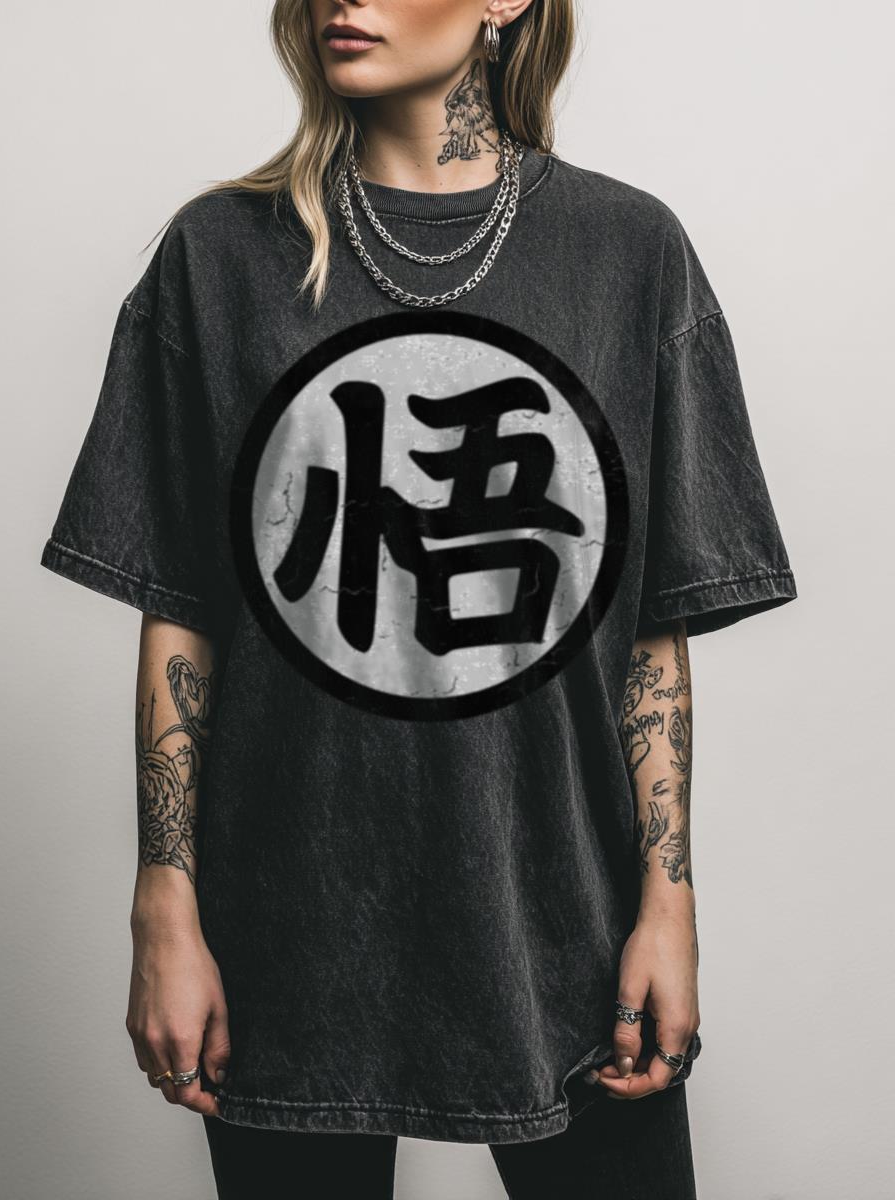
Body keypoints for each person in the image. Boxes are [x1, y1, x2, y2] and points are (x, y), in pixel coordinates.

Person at [39, 0, 798, 1196]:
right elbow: (181, 609)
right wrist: (164, 905)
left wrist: (669, 902)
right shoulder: (219, 255)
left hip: (564, 920)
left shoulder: (627, 252)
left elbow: (650, 631)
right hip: (286, 928)